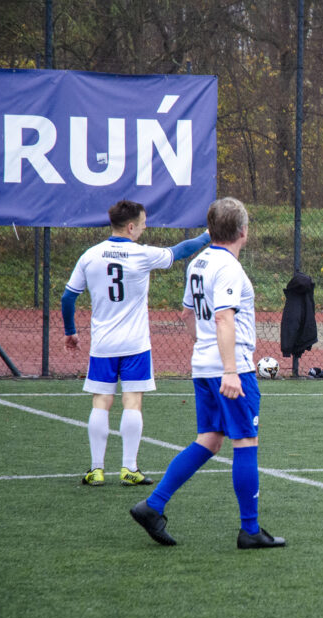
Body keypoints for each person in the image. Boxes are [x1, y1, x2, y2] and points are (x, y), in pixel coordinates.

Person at [130, 197, 285, 549]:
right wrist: (229, 370)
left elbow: (187, 313)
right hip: (230, 368)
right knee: (245, 441)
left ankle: (152, 506)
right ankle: (250, 530)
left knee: (210, 440)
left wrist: (205, 352)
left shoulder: (198, 262)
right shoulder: (228, 267)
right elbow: (223, 317)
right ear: (243, 231)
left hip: (203, 365)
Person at [62, 200, 210, 487]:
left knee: (101, 401)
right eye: (143, 223)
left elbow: (68, 297)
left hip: (103, 345)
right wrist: (207, 235)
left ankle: (96, 470)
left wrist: (71, 331)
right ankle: (129, 469)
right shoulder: (142, 254)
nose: (145, 227)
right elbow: (180, 251)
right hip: (135, 345)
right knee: (132, 401)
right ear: (130, 227)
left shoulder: (90, 255)